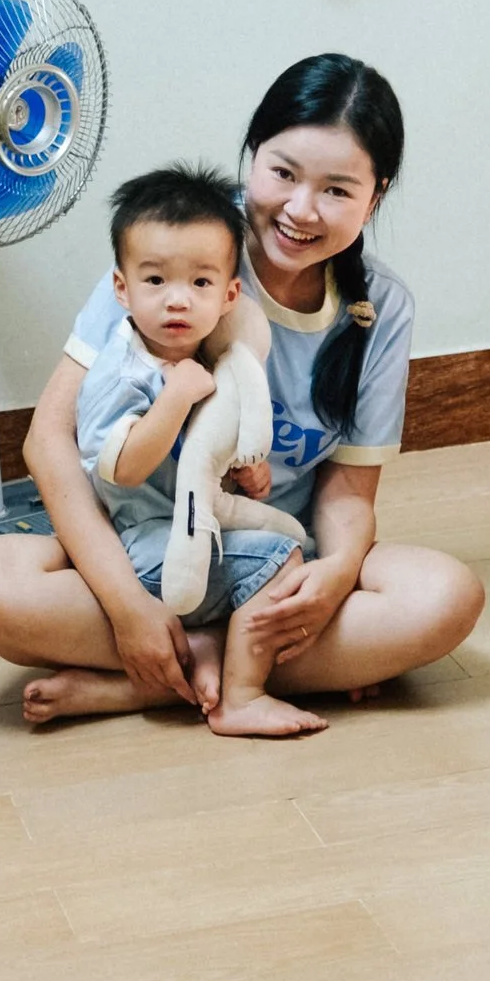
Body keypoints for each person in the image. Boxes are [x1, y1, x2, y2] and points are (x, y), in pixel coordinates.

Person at [0, 54, 485, 724]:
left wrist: (336, 573)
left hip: (271, 565)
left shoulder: (382, 306)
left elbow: (350, 488)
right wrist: (127, 607)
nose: (300, 209)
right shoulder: (180, 247)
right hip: (141, 548)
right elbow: (49, 441)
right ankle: (226, 666)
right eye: (282, 173)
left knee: (446, 596)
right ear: (252, 154)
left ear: (376, 196)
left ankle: (159, 677)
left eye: (337, 191)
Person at [76, 165, 323, 738]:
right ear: (121, 289)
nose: (177, 301)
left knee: (309, 565)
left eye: (200, 284)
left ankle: (173, 672)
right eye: (155, 280)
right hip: (149, 544)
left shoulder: (212, 354)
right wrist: (175, 398)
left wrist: (248, 472)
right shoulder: (124, 373)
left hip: (200, 523)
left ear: (230, 294)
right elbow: (124, 469)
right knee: (282, 561)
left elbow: (209, 456)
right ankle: (242, 694)